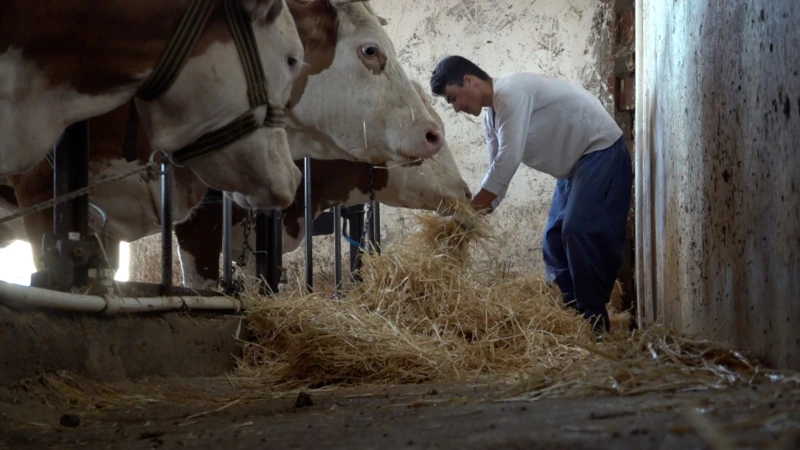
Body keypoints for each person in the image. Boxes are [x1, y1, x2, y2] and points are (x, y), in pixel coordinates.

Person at [429, 55, 632, 333]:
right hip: (574, 168)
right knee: (553, 240)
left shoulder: (510, 92)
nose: (455, 108)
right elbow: (495, 174)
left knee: (578, 230)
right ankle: (573, 319)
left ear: (469, 81)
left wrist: (469, 215)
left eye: (453, 98)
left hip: (600, 150)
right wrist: (469, 219)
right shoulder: (491, 118)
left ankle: (595, 323)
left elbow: (507, 161)